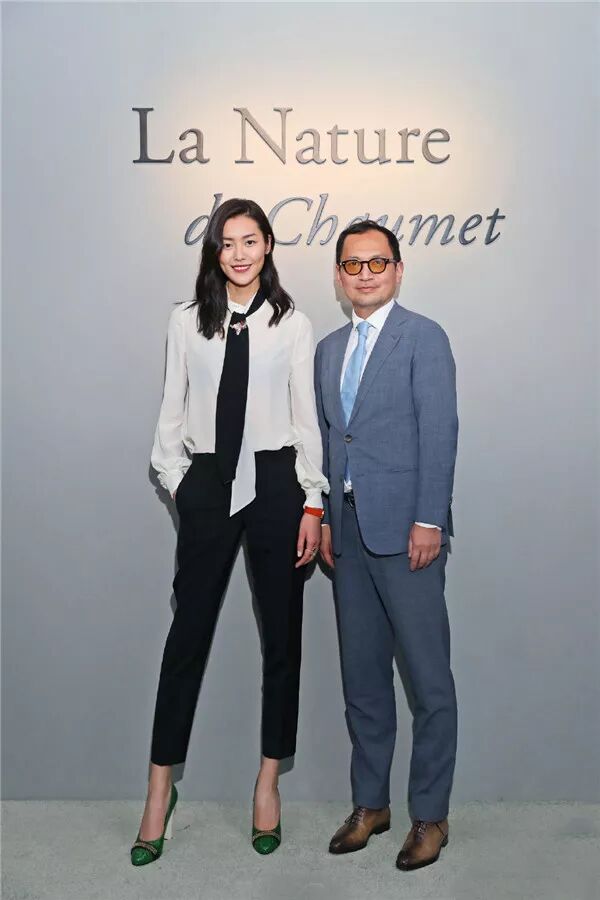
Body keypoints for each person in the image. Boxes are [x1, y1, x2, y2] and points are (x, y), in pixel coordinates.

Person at [131, 198, 328, 866]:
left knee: (282, 640)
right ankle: (159, 791)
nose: (239, 254)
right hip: (209, 483)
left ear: (268, 245)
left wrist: (311, 501)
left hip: (275, 484)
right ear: (214, 252)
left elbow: (305, 418)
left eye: (250, 241)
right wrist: (180, 482)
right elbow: (172, 407)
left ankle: (268, 782)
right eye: (227, 242)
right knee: (187, 636)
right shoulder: (186, 320)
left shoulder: (291, 323)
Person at [314, 220, 458, 871]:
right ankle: (370, 805)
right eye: (353, 264)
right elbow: (330, 441)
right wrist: (322, 518)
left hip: (407, 536)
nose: (365, 274)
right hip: (346, 536)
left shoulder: (424, 337)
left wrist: (429, 519)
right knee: (363, 681)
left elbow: (440, 431)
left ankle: (430, 815)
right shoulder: (328, 350)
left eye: (377, 263)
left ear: (398, 270)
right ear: (339, 276)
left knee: (428, 682)